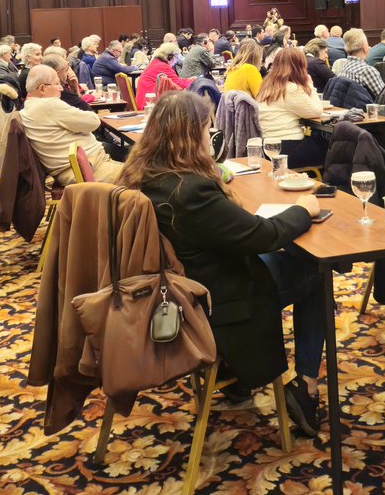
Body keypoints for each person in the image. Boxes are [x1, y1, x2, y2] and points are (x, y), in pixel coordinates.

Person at [118, 91, 327, 435]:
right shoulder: (189, 191)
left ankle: (237, 380)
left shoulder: (141, 176)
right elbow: (263, 234)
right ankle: (305, 385)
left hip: (178, 288)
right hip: (215, 301)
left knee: (282, 259)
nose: (210, 136)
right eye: (206, 128)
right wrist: (304, 209)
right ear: (191, 135)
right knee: (314, 272)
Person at [20, 65, 122, 185]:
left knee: (140, 165)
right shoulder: (49, 105)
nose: (61, 89)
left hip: (83, 166)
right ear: (42, 88)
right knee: (145, 176)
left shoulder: (28, 107)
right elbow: (93, 121)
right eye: (57, 83)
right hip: (88, 169)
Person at [256, 47, 326, 167]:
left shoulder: (267, 86)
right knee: (332, 146)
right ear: (299, 67)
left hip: (267, 146)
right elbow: (316, 111)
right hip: (287, 149)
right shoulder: (290, 89)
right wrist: (310, 84)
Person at [135, 42, 192, 109]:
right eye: (176, 58)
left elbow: (177, 81)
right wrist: (195, 80)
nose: (176, 61)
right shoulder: (163, 67)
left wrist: (189, 80)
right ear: (170, 57)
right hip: (149, 106)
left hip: (144, 103)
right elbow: (180, 84)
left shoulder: (156, 63)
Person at [337, 27, 385, 97]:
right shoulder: (367, 71)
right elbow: (384, 98)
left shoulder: (343, 68)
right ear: (365, 47)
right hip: (363, 107)